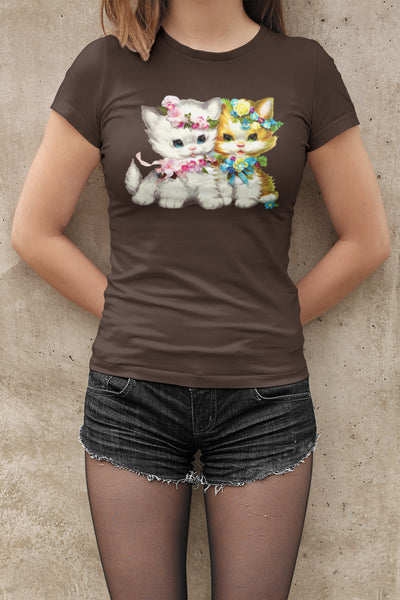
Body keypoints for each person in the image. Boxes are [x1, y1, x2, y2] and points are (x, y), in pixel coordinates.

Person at [11, 1, 391, 599]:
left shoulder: (306, 68)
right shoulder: (104, 66)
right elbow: (34, 231)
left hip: (263, 401)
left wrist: (270, 321)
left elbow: (367, 241)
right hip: (132, 395)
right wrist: (132, 314)